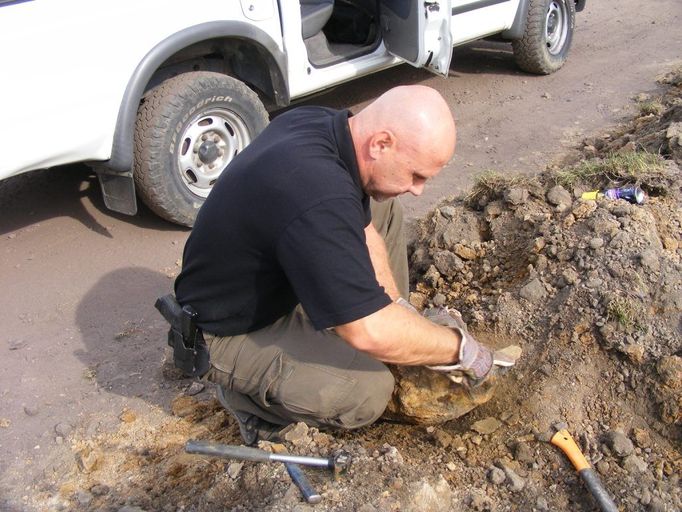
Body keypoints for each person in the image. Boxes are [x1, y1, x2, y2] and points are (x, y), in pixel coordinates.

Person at [174, 85, 517, 444]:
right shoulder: (317, 196)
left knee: (384, 204)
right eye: (416, 175)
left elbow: (365, 227)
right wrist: (458, 348)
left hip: (273, 277)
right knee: (368, 392)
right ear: (381, 143)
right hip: (229, 330)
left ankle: (385, 326)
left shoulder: (325, 124)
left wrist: (398, 309)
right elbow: (366, 331)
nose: (419, 190)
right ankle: (254, 408)